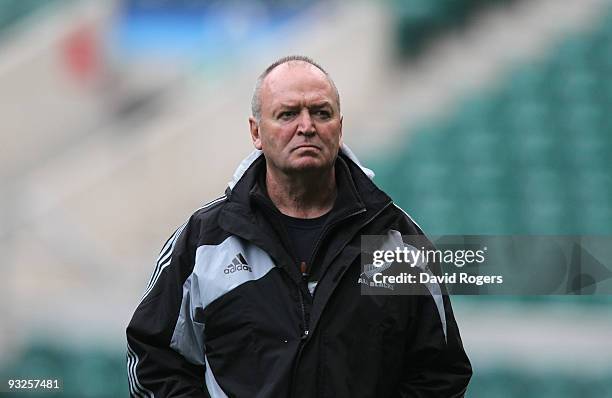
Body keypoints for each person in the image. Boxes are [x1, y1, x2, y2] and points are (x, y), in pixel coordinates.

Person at [126, 55, 472, 397]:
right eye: (288, 114)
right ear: (256, 132)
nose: (306, 126)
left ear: (339, 126)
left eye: (321, 113)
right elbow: (152, 362)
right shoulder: (203, 241)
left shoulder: (399, 241)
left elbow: (440, 375)